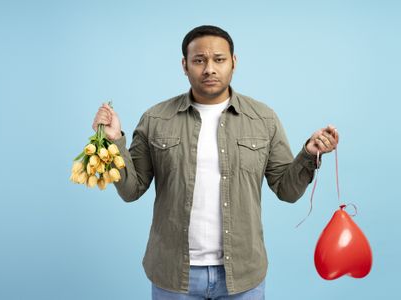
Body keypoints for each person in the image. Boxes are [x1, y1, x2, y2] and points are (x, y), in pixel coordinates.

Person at [92, 25, 338, 300]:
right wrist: (114, 142)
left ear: (234, 62)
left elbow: (287, 191)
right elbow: (131, 190)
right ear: (185, 65)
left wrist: (308, 153)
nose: (209, 68)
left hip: (243, 274)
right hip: (174, 274)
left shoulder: (263, 119)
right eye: (199, 60)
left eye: (219, 59)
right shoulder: (155, 119)